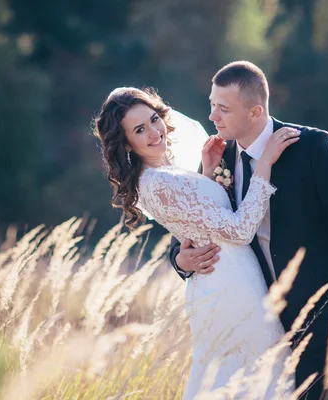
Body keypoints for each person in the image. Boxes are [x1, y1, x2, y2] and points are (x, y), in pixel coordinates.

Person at [169, 61, 328, 399]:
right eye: (211, 104)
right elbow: (182, 238)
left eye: (223, 108)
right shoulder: (216, 158)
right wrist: (181, 261)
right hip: (254, 327)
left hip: (321, 316)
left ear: (255, 111)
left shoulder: (311, 148)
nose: (212, 117)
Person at [94, 85, 301, 399]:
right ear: (126, 144)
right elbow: (239, 231)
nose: (154, 132)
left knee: (250, 382)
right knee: (252, 382)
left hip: (233, 282)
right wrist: (265, 164)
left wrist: (206, 171)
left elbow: (200, 221)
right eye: (139, 130)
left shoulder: (167, 173)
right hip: (229, 291)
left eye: (153, 119)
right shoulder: (157, 182)